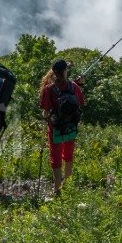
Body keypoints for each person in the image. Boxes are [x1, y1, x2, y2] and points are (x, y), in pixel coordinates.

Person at [39, 58, 84, 197]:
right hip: (70, 128)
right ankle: (68, 185)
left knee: (56, 157)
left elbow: (45, 112)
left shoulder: (49, 89)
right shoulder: (74, 87)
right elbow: (80, 103)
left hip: (56, 129)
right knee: (68, 155)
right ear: (65, 71)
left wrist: (48, 116)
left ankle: (57, 190)